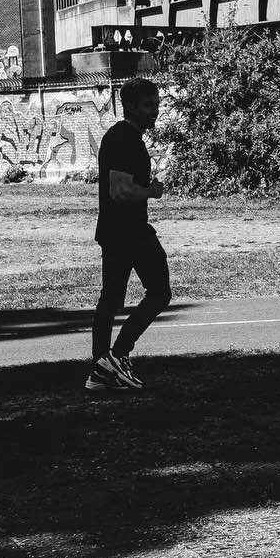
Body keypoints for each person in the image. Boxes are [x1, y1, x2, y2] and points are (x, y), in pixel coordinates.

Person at [86, 77, 172, 392]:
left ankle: (101, 369)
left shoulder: (124, 136)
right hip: (128, 231)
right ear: (131, 106)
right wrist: (151, 191)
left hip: (116, 230)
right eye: (149, 106)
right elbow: (119, 191)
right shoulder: (123, 138)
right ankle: (117, 356)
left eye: (157, 105)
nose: (155, 112)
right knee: (159, 292)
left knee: (109, 301)